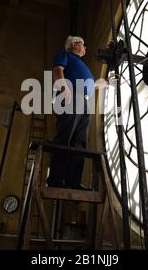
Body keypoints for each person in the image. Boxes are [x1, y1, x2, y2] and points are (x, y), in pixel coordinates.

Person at [46, 35, 95, 190]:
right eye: (83, 44)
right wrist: (64, 88)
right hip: (70, 96)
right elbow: (58, 69)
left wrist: (105, 83)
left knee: (80, 142)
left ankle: (73, 181)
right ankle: (55, 179)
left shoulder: (81, 64)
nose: (86, 48)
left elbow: (92, 85)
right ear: (74, 45)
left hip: (83, 100)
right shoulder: (65, 55)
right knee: (65, 137)